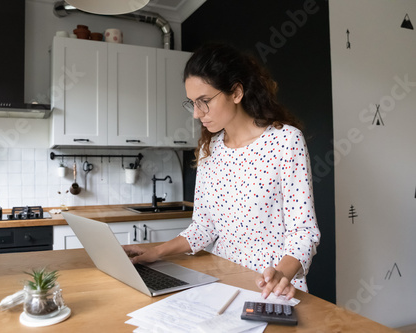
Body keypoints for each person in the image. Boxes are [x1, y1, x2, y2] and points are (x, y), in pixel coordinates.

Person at [124, 43, 320, 300]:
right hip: (220, 283)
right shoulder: (210, 149)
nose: (196, 114)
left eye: (204, 102)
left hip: (270, 289)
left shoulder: (285, 141)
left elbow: (304, 232)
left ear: (236, 92)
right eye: (192, 103)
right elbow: (204, 227)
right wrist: (156, 252)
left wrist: (281, 274)